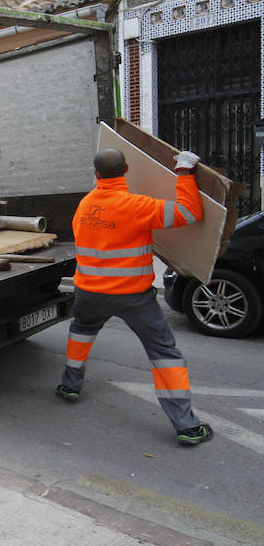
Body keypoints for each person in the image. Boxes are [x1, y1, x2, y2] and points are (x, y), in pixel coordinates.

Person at [55, 148, 214, 446]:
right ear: (126, 170)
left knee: (81, 332)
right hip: (133, 297)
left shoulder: (84, 205)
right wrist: (183, 171)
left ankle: (69, 386)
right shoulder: (138, 206)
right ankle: (187, 427)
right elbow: (190, 212)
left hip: (89, 292)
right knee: (164, 354)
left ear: (96, 174)